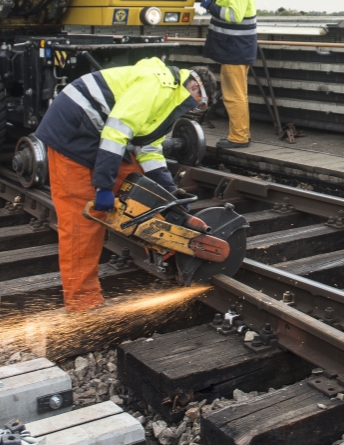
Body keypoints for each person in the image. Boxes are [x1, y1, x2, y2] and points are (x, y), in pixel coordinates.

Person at [34, 57, 216, 311]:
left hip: (98, 135)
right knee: (83, 218)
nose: (194, 110)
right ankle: (82, 303)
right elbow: (116, 132)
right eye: (200, 104)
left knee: (141, 191)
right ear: (196, 88)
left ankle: (171, 249)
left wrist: (169, 196)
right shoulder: (158, 85)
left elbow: (148, 149)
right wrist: (103, 187)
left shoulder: (167, 99)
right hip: (73, 133)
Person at [199, 0, 257, 149]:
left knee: (234, 96)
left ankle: (239, 137)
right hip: (235, 49)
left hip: (235, 50)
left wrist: (209, 6)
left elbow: (234, 16)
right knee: (238, 94)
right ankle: (241, 134)